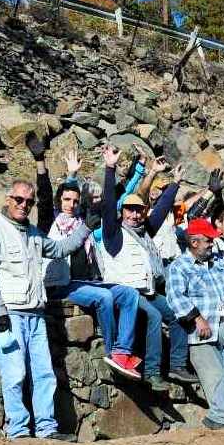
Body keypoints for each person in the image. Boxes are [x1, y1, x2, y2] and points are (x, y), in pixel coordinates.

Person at [0, 178, 95, 440]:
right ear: (8, 199)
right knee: (14, 375)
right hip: (10, 315)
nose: (24, 205)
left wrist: (86, 226)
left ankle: (46, 429)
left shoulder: (34, 234)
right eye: (19, 200)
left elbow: (62, 247)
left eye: (29, 202)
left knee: (44, 375)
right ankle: (18, 431)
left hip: (36, 315)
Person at [33, 149, 141, 379]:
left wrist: (126, 169)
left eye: (74, 200)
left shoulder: (84, 220)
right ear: (59, 201)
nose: (71, 205)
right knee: (105, 298)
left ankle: (123, 351)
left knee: (129, 294)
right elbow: (44, 197)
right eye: (66, 200)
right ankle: (113, 353)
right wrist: (45, 164)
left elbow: (114, 199)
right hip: (64, 284)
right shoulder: (51, 224)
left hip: (88, 281)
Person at [96, 143, 193, 392]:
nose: (135, 215)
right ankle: (151, 372)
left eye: (139, 210)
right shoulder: (113, 233)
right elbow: (107, 206)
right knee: (154, 316)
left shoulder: (145, 232)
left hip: (148, 291)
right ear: (122, 212)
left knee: (178, 312)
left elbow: (160, 211)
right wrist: (110, 168)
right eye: (130, 210)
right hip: (127, 291)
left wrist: (175, 183)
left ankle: (177, 365)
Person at [165, 218, 224, 430]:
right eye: (208, 241)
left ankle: (218, 420)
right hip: (201, 330)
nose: (212, 244)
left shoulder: (218, 262)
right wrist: (197, 317)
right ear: (194, 242)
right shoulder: (179, 266)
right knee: (214, 379)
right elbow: (175, 297)